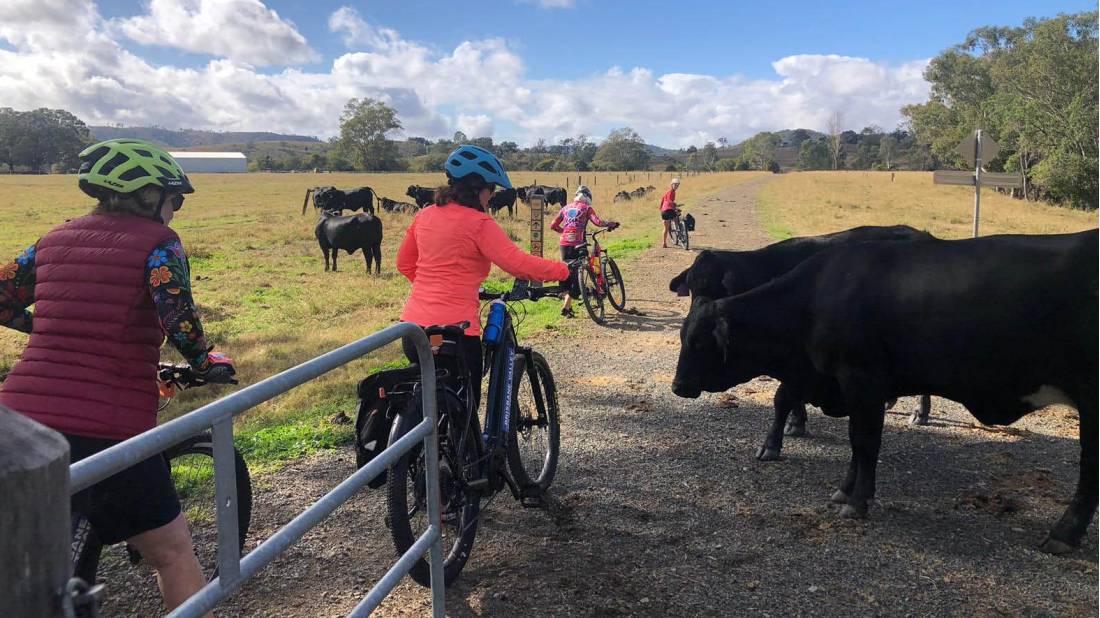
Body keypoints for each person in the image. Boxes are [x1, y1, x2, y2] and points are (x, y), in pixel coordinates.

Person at [0, 138, 235, 615]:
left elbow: (2, 297)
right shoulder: (158, 244)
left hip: (19, 422)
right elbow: (178, 318)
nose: (177, 210)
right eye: (176, 198)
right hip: (106, 426)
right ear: (149, 196)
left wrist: (42, 325)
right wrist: (207, 364)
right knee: (171, 553)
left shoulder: (53, 239)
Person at [396, 145, 569, 405]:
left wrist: (434, 288)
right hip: (456, 334)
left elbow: (404, 264)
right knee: (465, 409)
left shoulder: (424, 216)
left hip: (413, 329)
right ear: (478, 189)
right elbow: (517, 263)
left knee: (429, 406)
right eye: (491, 190)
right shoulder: (479, 223)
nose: (491, 198)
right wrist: (564, 270)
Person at [549, 185, 619, 317]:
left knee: (569, 271)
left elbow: (553, 225)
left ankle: (567, 304)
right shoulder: (587, 208)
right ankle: (591, 290)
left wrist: (563, 231)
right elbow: (598, 222)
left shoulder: (565, 208)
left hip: (564, 243)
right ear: (588, 198)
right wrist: (611, 223)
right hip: (578, 243)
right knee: (582, 270)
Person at [660, 177, 681, 248]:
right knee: (676, 218)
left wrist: (661, 209)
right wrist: (674, 204)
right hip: (668, 210)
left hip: (663, 211)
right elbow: (669, 200)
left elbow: (662, 201)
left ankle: (664, 243)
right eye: (675, 185)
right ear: (671, 185)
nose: (676, 186)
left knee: (666, 228)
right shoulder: (671, 192)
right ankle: (678, 232)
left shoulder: (667, 192)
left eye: (677, 185)